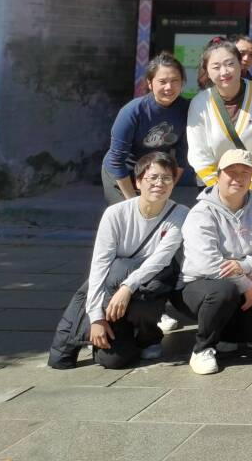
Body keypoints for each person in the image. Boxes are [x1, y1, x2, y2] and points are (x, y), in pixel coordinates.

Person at [79, 152, 188, 369]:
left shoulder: (180, 213)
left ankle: (149, 336)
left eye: (167, 178)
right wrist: (96, 317)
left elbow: (160, 259)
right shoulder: (115, 213)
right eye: (153, 177)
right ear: (138, 182)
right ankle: (123, 332)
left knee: (152, 287)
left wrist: (127, 288)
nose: (160, 183)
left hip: (154, 278)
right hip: (116, 280)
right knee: (112, 361)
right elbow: (100, 263)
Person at [177, 149, 252, 375]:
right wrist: (245, 283)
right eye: (231, 172)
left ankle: (225, 334)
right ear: (218, 175)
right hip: (201, 285)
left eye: (245, 173)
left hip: (247, 285)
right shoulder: (201, 212)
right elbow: (207, 263)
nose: (238, 178)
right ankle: (202, 349)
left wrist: (246, 266)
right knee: (223, 291)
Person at [102, 52, 190, 204]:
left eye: (175, 80)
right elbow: (117, 160)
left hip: (155, 172)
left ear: (182, 82)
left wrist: (166, 189)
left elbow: (181, 159)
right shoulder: (133, 111)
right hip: (122, 173)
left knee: (154, 212)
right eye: (162, 81)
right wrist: (133, 202)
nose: (169, 87)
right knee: (129, 214)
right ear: (150, 83)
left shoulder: (186, 110)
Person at [187, 38, 252, 190]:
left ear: (240, 64)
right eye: (216, 67)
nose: (224, 72)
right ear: (207, 71)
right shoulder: (200, 103)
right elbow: (198, 151)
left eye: (230, 64)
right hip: (212, 186)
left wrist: (250, 183)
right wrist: (219, 190)